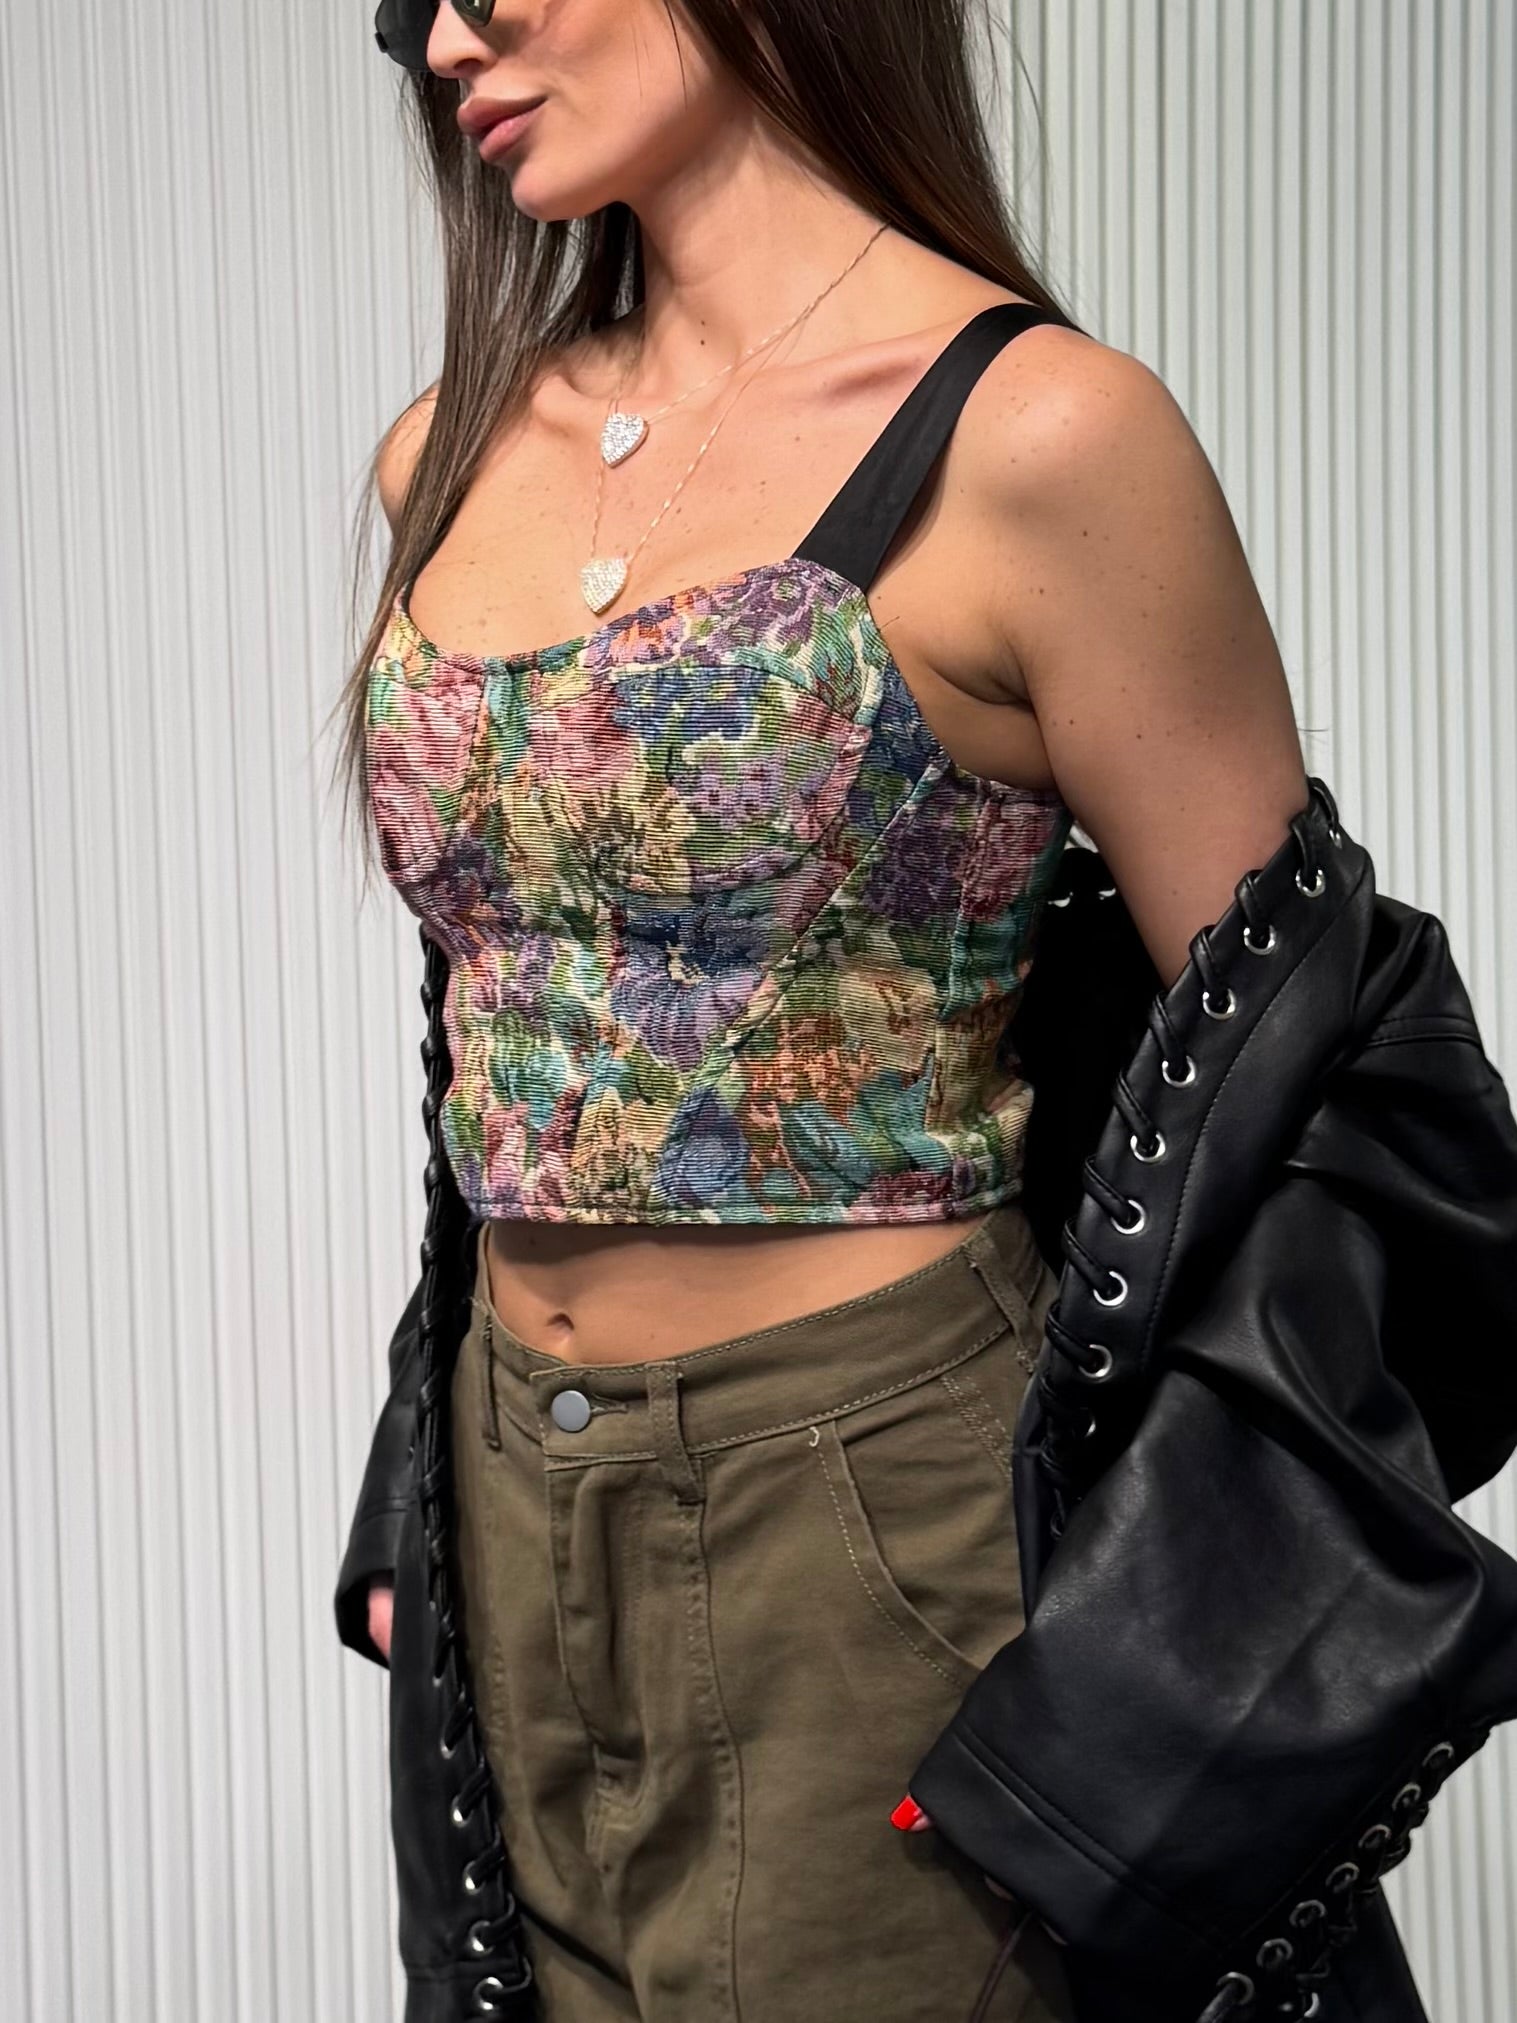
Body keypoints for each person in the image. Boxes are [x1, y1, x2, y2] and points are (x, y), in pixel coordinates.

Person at [338, 2, 1311, 2016]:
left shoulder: (1043, 441)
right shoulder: (443, 451)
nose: (439, 39)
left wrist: (1174, 1649)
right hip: (508, 1494)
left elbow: (1295, 1102)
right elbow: (508, 1023)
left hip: (878, 1508)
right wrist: (410, 1468)